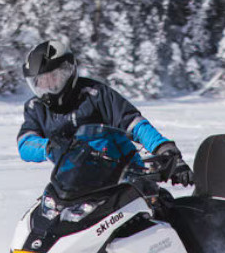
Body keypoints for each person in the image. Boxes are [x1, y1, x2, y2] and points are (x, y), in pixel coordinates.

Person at [15, 41, 193, 187]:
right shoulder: (35, 107)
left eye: (52, 78)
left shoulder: (96, 94)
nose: (47, 87)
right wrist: (49, 147)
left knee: (158, 212)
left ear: (67, 72)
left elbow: (134, 124)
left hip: (123, 178)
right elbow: (25, 143)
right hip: (72, 185)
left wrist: (164, 149)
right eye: (40, 82)